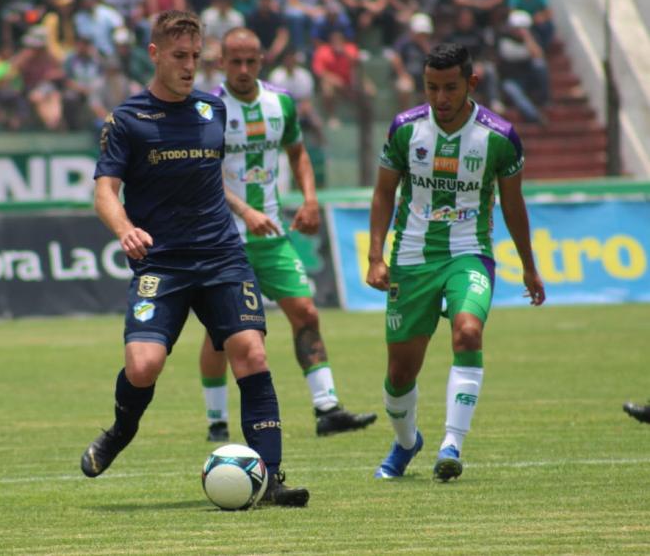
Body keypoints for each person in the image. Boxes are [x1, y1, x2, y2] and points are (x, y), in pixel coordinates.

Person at [81, 10, 309, 507]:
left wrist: (246, 209)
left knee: (252, 352)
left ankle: (271, 478)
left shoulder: (213, 110)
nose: (190, 67)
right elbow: (103, 192)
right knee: (143, 367)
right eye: (179, 57)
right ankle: (120, 431)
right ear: (156, 54)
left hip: (222, 256)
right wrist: (125, 228)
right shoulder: (127, 120)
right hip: (162, 264)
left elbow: (218, 180)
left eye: (196, 57)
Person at [366, 42, 546, 482]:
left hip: (471, 254)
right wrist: (375, 255)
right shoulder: (406, 129)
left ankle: (452, 444)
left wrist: (528, 264)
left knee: (468, 331)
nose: (441, 99)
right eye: (432, 88)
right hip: (410, 258)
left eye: (450, 88)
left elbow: (513, 204)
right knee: (399, 373)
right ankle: (407, 442)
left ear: (472, 82)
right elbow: (384, 192)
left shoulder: (500, 137)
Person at [197, 27, 377, 443]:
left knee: (307, 313)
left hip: (272, 235)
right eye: (234, 61)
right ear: (221, 63)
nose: (242, 69)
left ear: (261, 60)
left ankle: (327, 408)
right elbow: (204, 172)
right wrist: (244, 210)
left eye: (250, 61)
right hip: (223, 237)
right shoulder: (208, 110)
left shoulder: (280, 103)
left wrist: (310, 200)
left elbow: (298, 154)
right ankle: (216, 420)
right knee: (221, 332)